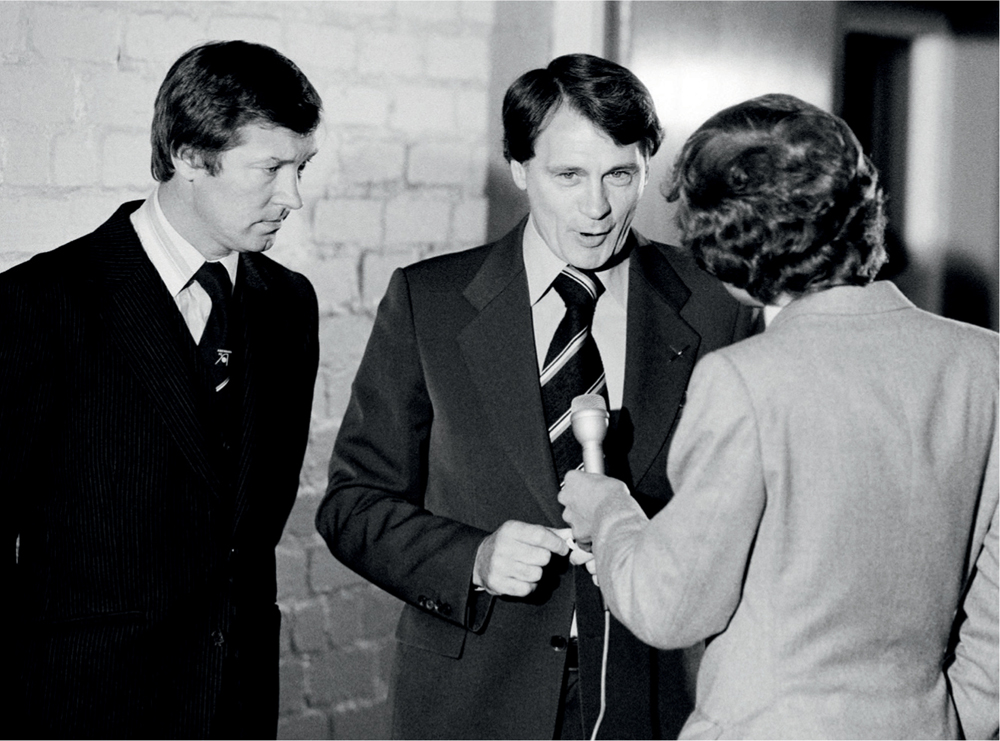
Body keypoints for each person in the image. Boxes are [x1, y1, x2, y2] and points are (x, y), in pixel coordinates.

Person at [315, 54, 755, 740]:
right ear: (519, 170)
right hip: (470, 699)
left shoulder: (716, 303)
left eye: (620, 174)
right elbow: (352, 504)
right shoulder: (427, 302)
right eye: (568, 175)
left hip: (658, 696)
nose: (596, 207)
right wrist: (476, 560)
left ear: (647, 166)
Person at [559, 93, 999, 739]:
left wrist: (608, 512)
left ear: (722, 243)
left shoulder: (744, 380)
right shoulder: (985, 362)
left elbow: (671, 606)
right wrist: (956, 717)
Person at [2, 40, 322, 738]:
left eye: (302, 167)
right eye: (270, 167)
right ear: (186, 155)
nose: (293, 196)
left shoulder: (288, 304)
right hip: (78, 710)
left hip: (235, 706)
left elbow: (253, 523)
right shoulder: (39, 304)